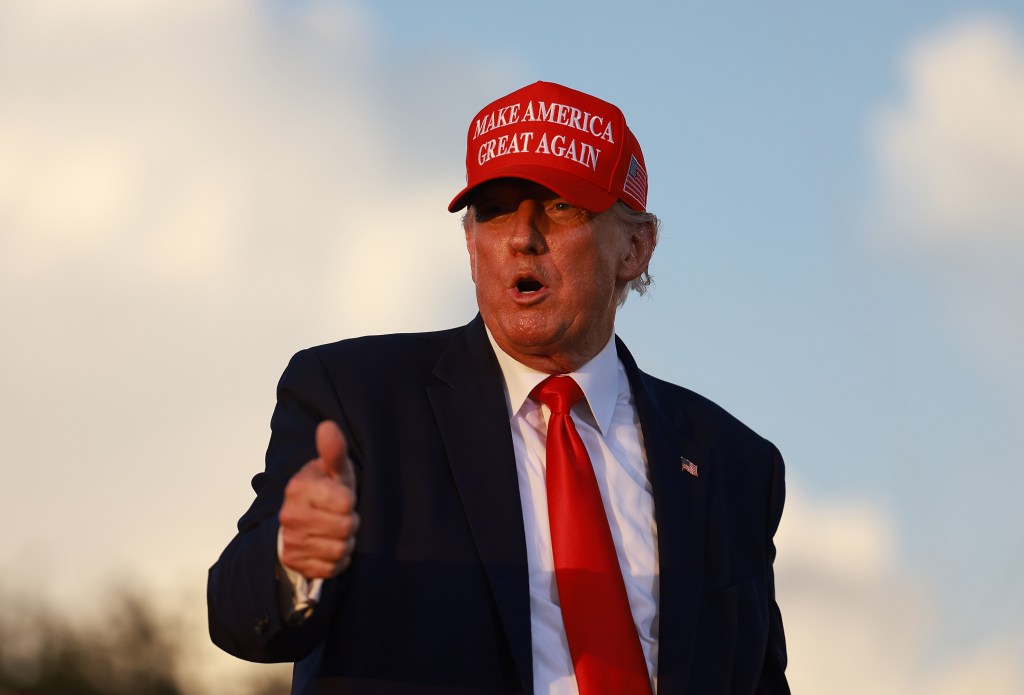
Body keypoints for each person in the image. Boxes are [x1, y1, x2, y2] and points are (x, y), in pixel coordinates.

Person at [208, 81, 789, 695]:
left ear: (636, 247)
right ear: (469, 242)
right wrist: (293, 560)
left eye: (560, 207)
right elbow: (239, 619)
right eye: (496, 209)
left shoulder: (733, 462)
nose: (522, 236)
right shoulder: (358, 400)